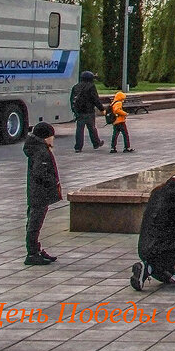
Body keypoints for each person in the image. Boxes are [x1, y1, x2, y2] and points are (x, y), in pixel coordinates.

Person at [23, 122, 62, 266]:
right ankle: (32, 253)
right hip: (39, 194)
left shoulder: (38, 149)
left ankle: (35, 250)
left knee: (34, 222)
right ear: (45, 137)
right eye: (52, 136)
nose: (53, 139)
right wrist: (52, 182)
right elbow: (40, 172)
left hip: (36, 193)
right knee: (34, 223)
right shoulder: (41, 151)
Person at [69, 70, 105, 152]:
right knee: (92, 128)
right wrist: (102, 109)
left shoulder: (76, 87)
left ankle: (78, 147)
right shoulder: (91, 86)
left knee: (79, 130)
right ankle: (96, 143)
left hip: (79, 112)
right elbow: (95, 99)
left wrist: (74, 110)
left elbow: (71, 99)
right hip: (89, 111)